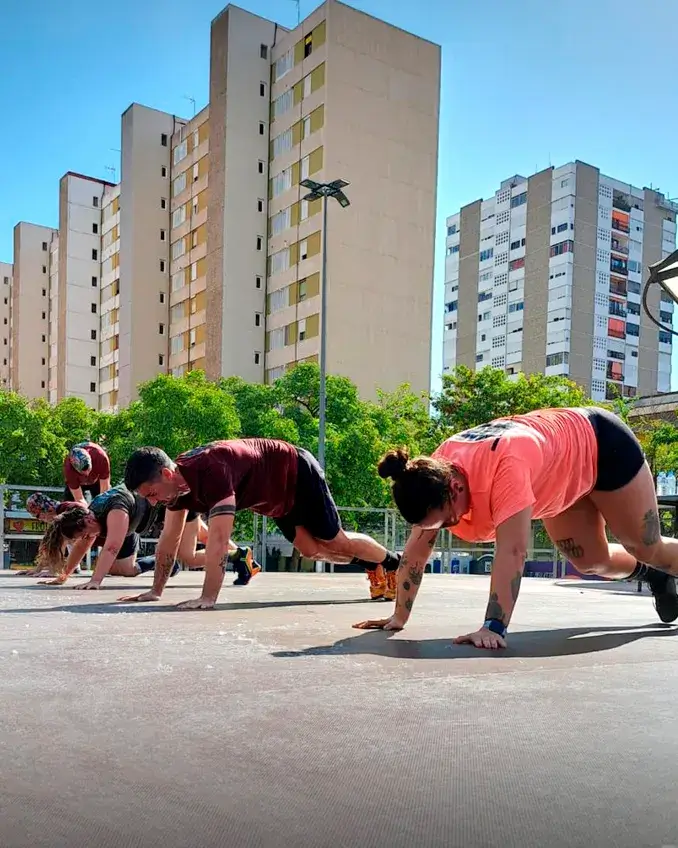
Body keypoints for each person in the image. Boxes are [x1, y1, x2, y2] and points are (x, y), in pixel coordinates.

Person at [354, 407, 678, 648]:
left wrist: (493, 626)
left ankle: (658, 563)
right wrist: (399, 617)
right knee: (591, 561)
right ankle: (656, 576)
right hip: (559, 474)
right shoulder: (429, 472)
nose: (452, 527)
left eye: (449, 520)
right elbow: (415, 554)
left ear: (455, 487)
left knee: (646, 547)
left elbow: (512, 550)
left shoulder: (505, 468)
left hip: (603, 446)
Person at [120, 439, 401, 609]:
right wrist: (155, 592)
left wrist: (208, 598)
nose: (153, 503)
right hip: (275, 499)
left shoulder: (211, 471)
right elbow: (169, 540)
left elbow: (219, 541)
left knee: (335, 541)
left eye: (152, 494)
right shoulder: (175, 493)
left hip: (296, 473)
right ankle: (371, 564)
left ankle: (393, 562)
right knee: (309, 549)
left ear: (167, 474)